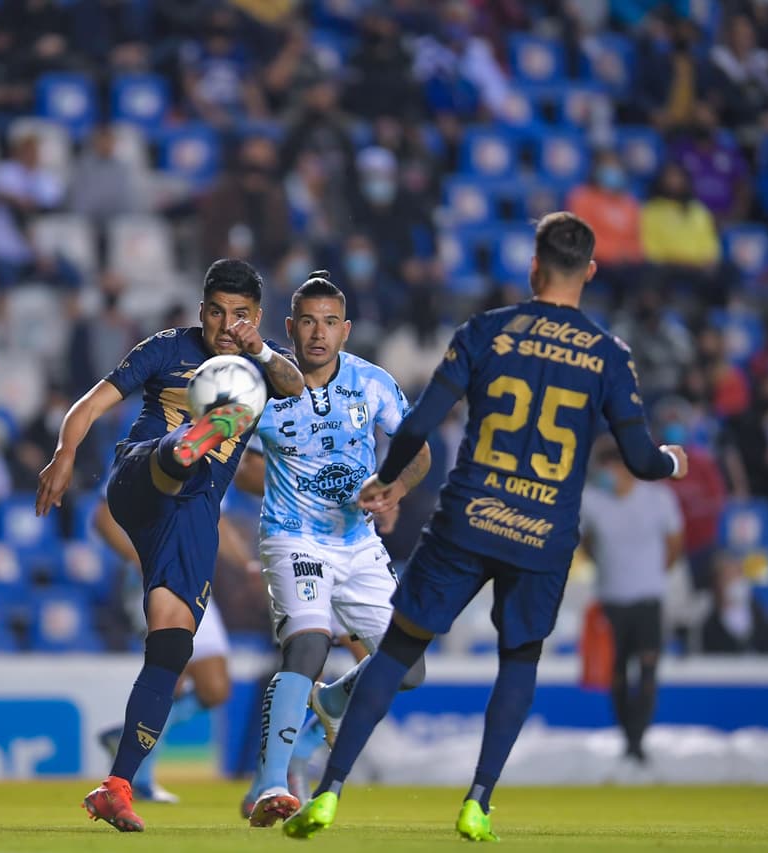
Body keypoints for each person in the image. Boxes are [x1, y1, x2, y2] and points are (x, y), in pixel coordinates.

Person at [282, 212, 689, 842]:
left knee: (398, 649)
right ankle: (478, 801)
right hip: (543, 534)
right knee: (518, 658)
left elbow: (417, 426)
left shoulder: (488, 333)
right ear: (591, 270)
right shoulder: (609, 356)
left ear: (533, 267)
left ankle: (331, 790)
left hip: (468, 519)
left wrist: (389, 480)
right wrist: (672, 461)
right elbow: (639, 459)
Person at [36, 258, 304, 832]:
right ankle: (198, 434)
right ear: (200, 309)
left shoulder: (263, 363)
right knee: (185, 450)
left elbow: (295, 384)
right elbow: (89, 405)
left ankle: (116, 785)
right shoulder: (166, 348)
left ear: (255, 318)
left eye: (239, 316)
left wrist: (257, 350)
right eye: (215, 312)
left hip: (193, 514)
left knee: (172, 646)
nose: (224, 326)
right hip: (144, 474)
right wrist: (63, 456)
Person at [236, 272, 432, 827]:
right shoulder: (259, 384)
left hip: (357, 543)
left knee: (409, 668)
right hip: (292, 535)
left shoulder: (372, 383)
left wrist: (394, 486)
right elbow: (233, 456)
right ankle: (272, 784)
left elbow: (417, 451)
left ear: (345, 331)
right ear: (290, 328)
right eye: (307, 322)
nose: (318, 334)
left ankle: (333, 700)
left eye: (329, 323)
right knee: (308, 645)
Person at [92, 498, 243, 804]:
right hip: (156, 581)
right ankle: (140, 778)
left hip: (194, 581)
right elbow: (103, 517)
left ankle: (126, 734)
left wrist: (248, 565)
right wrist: (140, 558)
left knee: (215, 688)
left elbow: (220, 523)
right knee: (170, 676)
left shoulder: (214, 464)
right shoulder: (147, 453)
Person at [581, 441, 683, 769]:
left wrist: (653, 573)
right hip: (612, 598)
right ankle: (629, 738)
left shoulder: (658, 498)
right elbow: (585, 541)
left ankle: (638, 739)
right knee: (617, 673)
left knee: (649, 669)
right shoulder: (593, 501)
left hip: (648, 598)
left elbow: (674, 542)